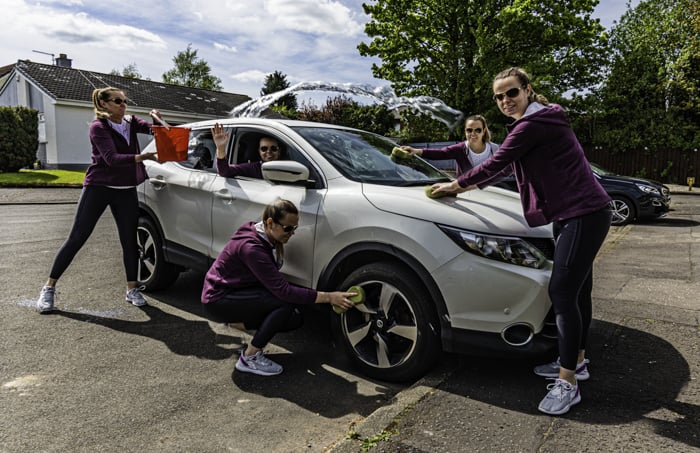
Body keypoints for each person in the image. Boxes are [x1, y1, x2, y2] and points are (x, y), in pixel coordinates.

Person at [430, 67, 612, 415]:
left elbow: (498, 162)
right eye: (499, 97)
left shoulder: (534, 124)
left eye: (511, 93)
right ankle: (577, 362)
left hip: (583, 213)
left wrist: (455, 185)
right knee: (577, 291)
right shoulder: (540, 121)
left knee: (561, 292)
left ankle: (567, 382)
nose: (505, 101)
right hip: (574, 214)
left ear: (527, 90)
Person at [36, 87, 163, 313]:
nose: (123, 104)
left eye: (124, 100)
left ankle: (132, 289)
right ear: (103, 104)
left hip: (126, 189)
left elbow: (158, 131)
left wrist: (158, 121)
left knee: (129, 240)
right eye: (117, 101)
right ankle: (49, 287)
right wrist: (142, 156)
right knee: (77, 237)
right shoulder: (98, 127)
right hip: (99, 187)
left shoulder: (131, 122)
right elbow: (111, 159)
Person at [201, 198, 357, 376]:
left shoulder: (263, 235)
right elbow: (284, 291)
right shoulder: (252, 248)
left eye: (295, 228)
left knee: (294, 319)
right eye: (288, 228)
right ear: (270, 223)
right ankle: (249, 357)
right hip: (219, 298)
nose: (292, 233)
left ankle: (239, 323)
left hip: (238, 291)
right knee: (284, 303)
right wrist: (329, 297)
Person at [400, 114, 499, 176]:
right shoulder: (460, 149)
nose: (473, 134)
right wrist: (416, 151)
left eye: (477, 130)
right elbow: (441, 153)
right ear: (465, 132)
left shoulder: (494, 149)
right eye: (469, 130)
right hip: (468, 195)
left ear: (484, 131)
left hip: (491, 195)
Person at [212, 123, 282, 178]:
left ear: (279, 151)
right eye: (264, 149)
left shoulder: (290, 167)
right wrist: (221, 149)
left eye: (273, 148)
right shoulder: (252, 168)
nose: (269, 152)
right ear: (259, 151)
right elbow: (225, 171)